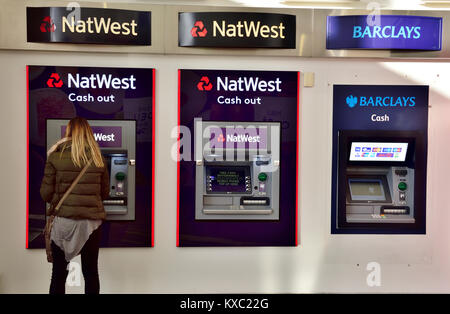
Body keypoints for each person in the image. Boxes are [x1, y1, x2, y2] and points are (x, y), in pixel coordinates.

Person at [40, 117, 109, 294]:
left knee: (58, 274)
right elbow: (105, 193)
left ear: (68, 131)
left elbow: (45, 194)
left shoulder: (56, 155)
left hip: (63, 222)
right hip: (90, 224)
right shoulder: (97, 157)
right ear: (88, 132)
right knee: (91, 272)